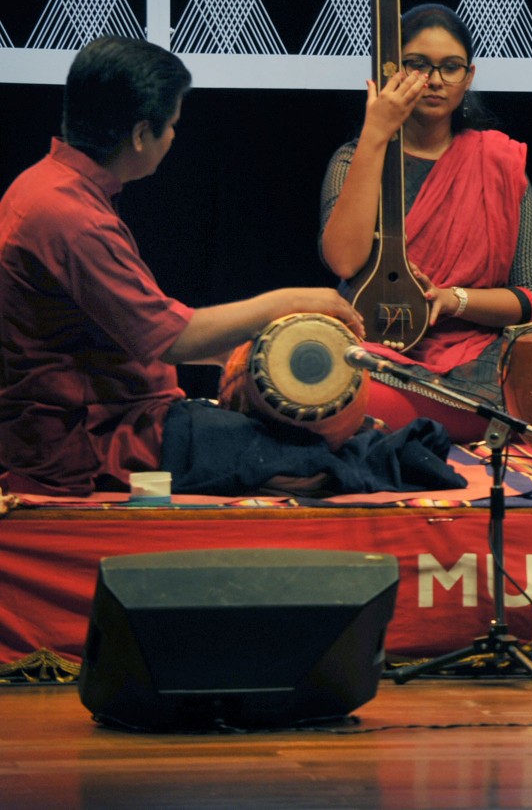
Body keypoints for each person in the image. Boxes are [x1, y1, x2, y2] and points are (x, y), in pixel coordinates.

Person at [0, 36, 463, 498]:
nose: (174, 137)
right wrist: (291, 301)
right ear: (141, 134)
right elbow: (173, 340)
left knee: (337, 438)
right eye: (172, 125)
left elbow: (135, 328)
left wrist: (236, 355)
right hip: (93, 438)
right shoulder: (69, 217)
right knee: (315, 465)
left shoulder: (48, 187)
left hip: (123, 415)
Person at [320, 3, 532, 443]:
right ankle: (431, 420)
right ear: (394, 70)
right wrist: (376, 134)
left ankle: (414, 419)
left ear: (469, 76)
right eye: (418, 65)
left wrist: (452, 300)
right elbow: (344, 262)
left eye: (450, 67)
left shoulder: (499, 164)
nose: (435, 79)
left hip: (479, 363)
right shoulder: (354, 159)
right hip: (378, 354)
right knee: (330, 363)